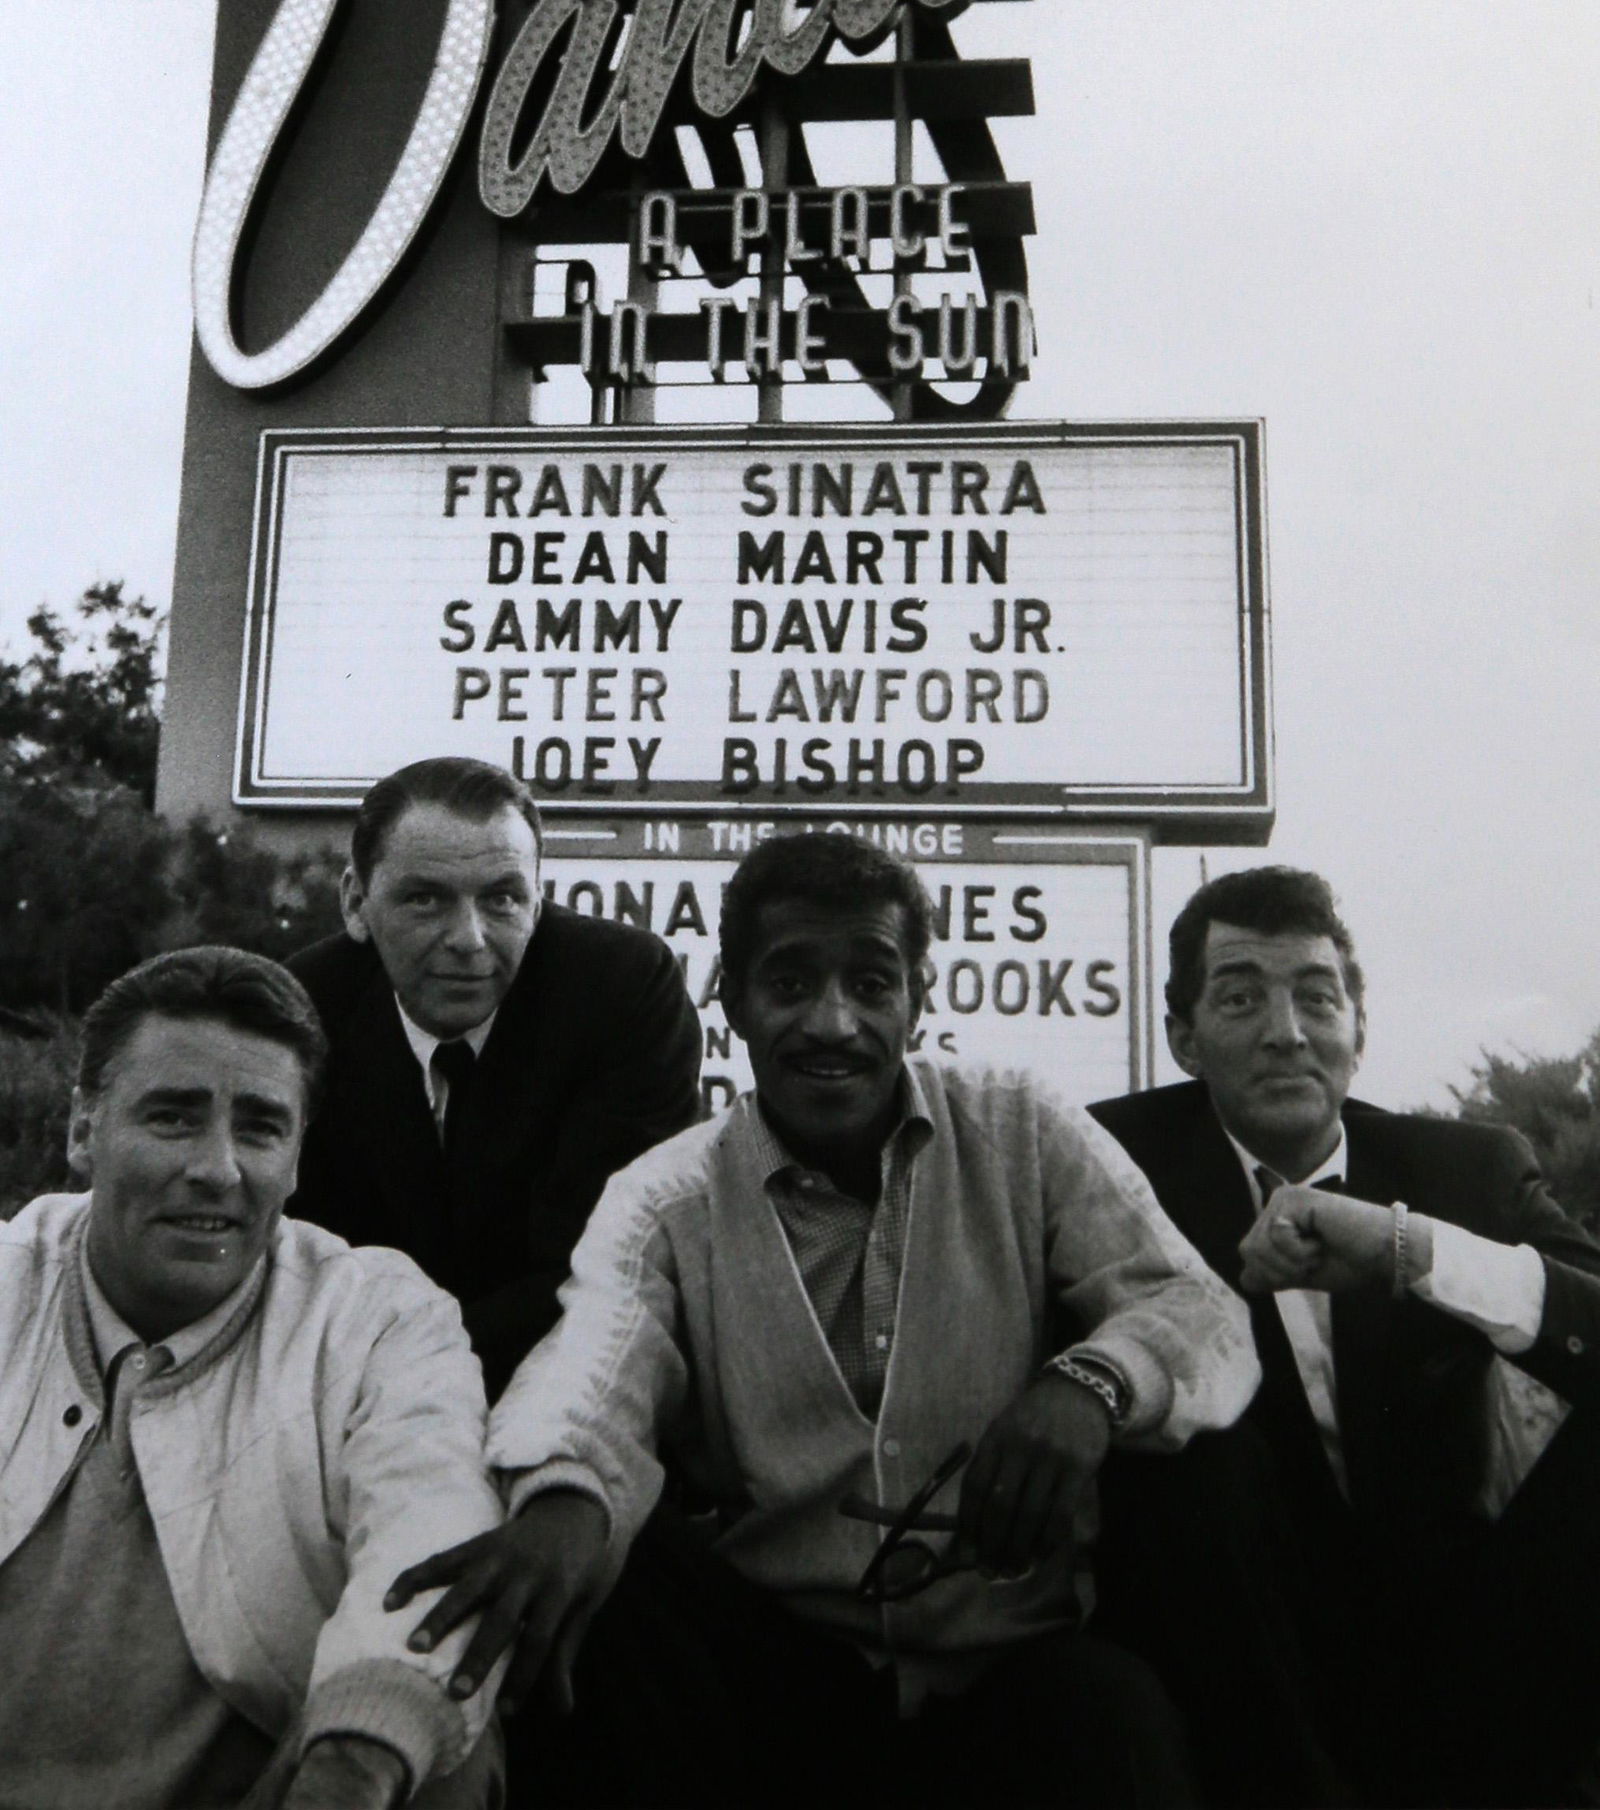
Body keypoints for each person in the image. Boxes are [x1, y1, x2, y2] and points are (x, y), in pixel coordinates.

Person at [383, 830, 1260, 1809]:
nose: (832, 1021)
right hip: (779, 1677)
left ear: (917, 1000)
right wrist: (561, 1498)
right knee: (595, 1579)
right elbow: (595, 1364)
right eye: (791, 981)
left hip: (1006, 1673)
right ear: (733, 999)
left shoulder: (1021, 1125)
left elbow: (1199, 1308)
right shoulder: (666, 1193)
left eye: (871, 983)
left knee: (1119, 1715)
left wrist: (1092, 1382)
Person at [1091, 865, 1600, 1809]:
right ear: (1183, 1038)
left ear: (1358, 1032)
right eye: (1240, 998)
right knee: (1181, 1441)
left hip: (1467, 1657)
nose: (1286, 1032)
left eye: (1316, 998)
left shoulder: (1468, 1169)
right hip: (1235, 1674)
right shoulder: (1113, 1164)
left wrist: (1410, 1249)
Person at [0, 946, 504, 1810]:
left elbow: (428, 1541)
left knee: (437, 1750)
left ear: (299, 1158)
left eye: (261, 1128)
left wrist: (352, 1765)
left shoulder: (377, 1317)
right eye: (172, 1117)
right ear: (84, 1132)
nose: (219, 1168)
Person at [288, 756, 702, 1396]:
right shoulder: (304, 1014)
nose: (470, 939)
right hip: (345, 1395)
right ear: (355, 902)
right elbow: (295, 1265)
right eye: (425, 899)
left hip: (563, 1380)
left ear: (539, 901)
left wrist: (410, 1376)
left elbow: (604, 1269)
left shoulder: (620, 993)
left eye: (502, 898)